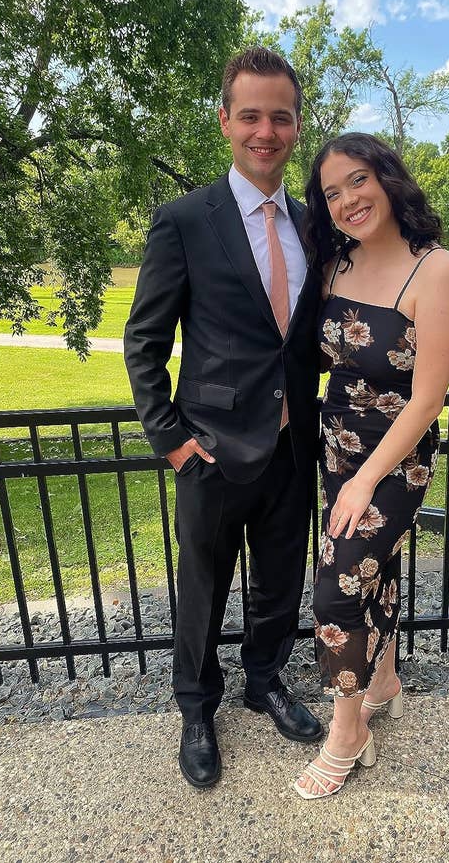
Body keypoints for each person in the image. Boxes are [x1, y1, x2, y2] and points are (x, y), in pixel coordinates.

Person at [124, 47, 323, 791]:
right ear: (225, 121)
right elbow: (144, 345)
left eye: (279, 116)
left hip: (291, 447)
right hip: (208, 450)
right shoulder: (184, 221)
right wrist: (174, 443)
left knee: (280, 580)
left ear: (296, 125)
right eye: (251, 115)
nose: (265, 130)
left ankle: (264, 679)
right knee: (204, 590)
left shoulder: (313, 226)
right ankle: (196, 707)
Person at [296, 132, 449, 799]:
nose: (346, 200)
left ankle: (347, 732)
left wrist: (368, 477)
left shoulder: (437, 269)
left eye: (357, 181)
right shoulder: (336, 264)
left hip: (396, 462)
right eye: (331, 193)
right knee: (376, 570)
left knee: (337, 590)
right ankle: (385, 681)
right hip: (336, 448)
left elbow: (428, 398)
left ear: (388, 179)